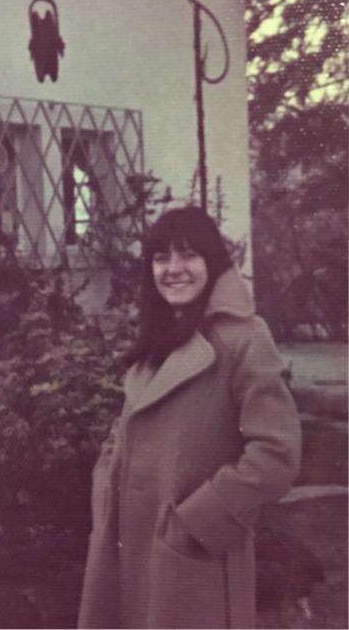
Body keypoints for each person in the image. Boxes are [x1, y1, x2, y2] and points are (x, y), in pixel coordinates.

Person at [77, 206, 302, 629]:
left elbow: (276, 456)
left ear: (212, 263)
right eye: (161, 258)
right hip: (126, 545)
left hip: (193, 556)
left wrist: (197, 521)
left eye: (188, 255)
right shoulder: (160, 336)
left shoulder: (246, 338)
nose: (173, 269)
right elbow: (123, 432)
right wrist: (106, 493)